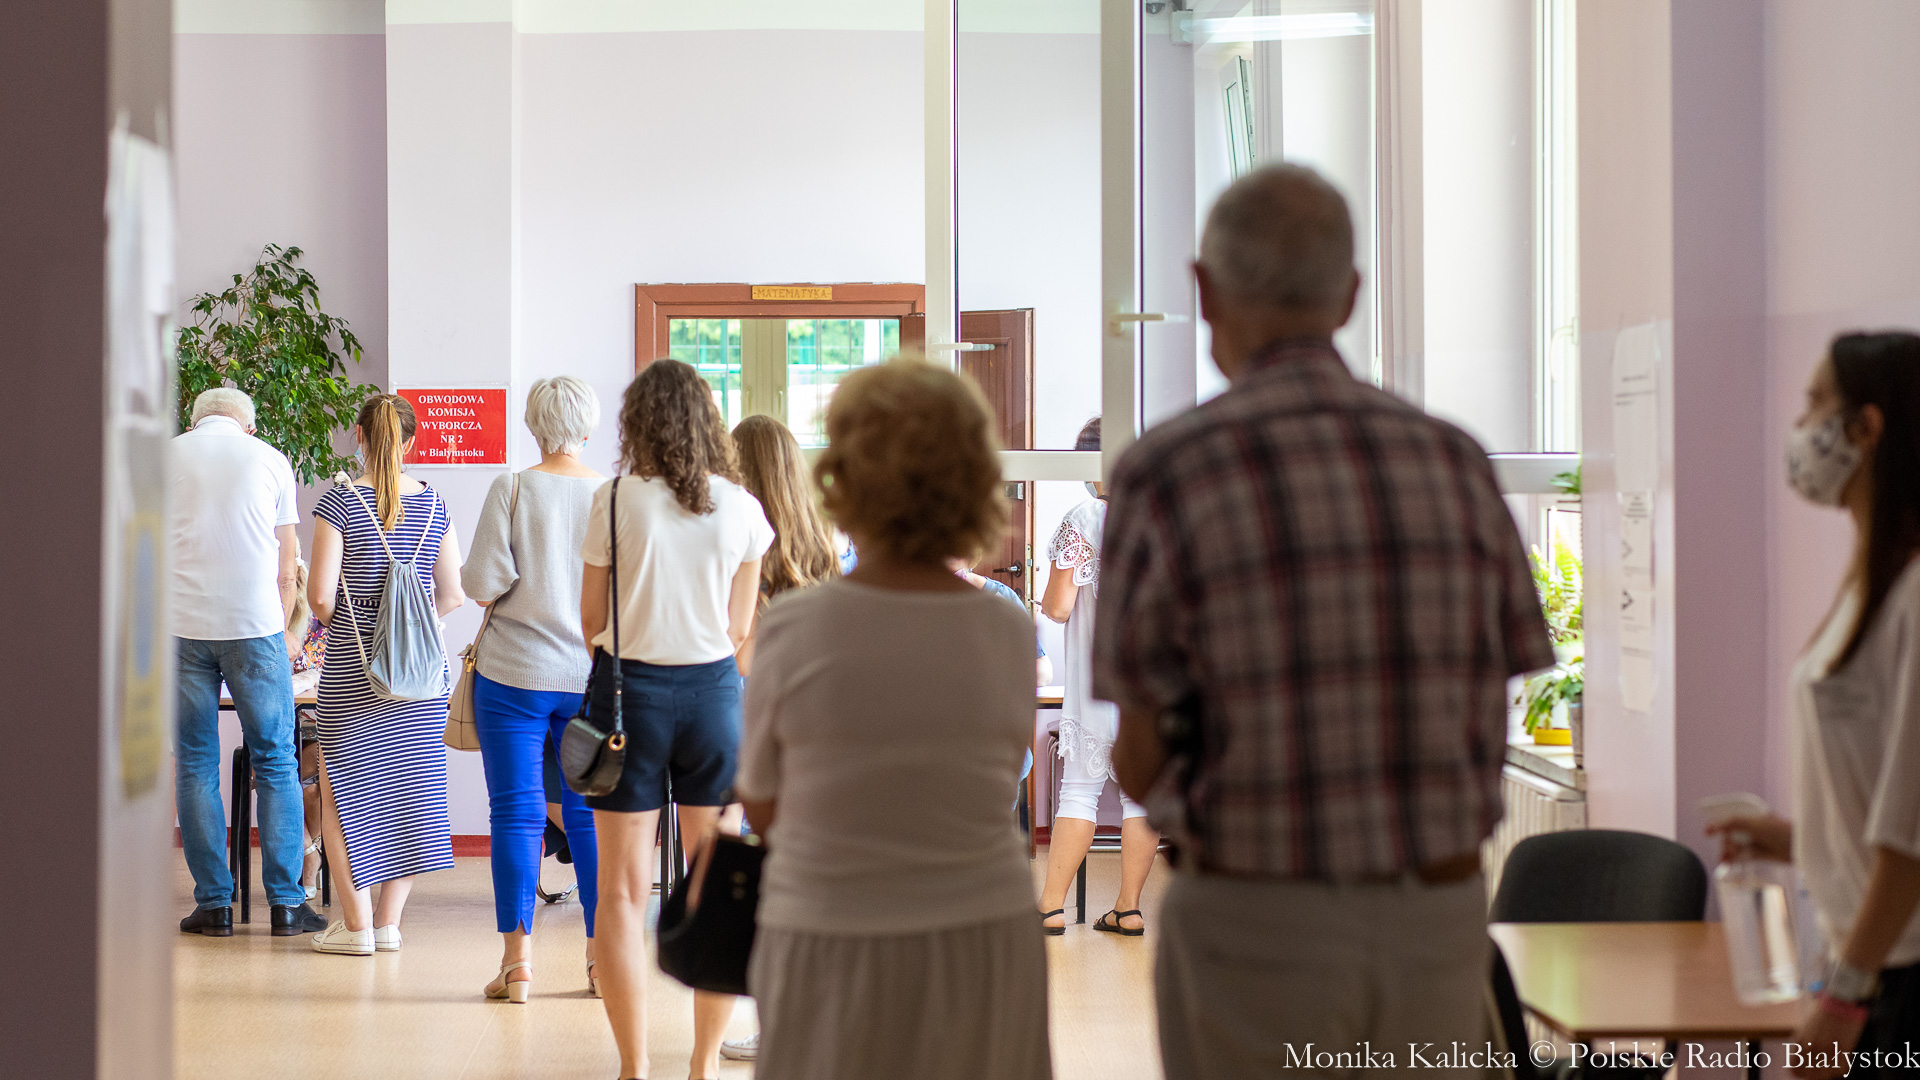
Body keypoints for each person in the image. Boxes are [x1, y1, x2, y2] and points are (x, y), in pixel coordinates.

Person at [1098, 164, 1554, 1079]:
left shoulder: (1167, 472)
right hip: (1437, 918)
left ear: (1203, 290)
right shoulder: (1455, 461)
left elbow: (1140, 754)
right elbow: (1499, 690)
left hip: (1255, 924)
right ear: (1349, 295)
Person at [739, 358, 1052, 1080]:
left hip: (831, 922)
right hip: (982, 928)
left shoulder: (795, 627)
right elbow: (1002, 776)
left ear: (840, 481)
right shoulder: (1003, 627)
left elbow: (763, 802)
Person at [1708, 332, 1920, 1079]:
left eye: (1816, 403)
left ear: (1867, 427)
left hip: (1900, 976)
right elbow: (1879, 800)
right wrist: (1801, 841)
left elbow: (1911, 835)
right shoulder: (1870, 585)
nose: (1800, 427)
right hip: (1870, 960)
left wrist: (1844, 998)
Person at [582, 359, 773, 1080]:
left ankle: (634, 1068)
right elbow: (739, 629)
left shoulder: (612, 501)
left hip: (626, 697)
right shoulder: (742, 507)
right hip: (713, 698)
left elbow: (591, 620)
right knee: (713, 885)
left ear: (636, 423)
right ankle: (702, 1065)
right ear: (707, 421)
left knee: (621, 891)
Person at [460, 375, 605, 1003]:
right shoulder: (612, 495)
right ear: (588, 427)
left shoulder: (512, 487)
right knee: (590, 817)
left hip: (512, 675)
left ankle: (517, 966)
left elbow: (480, 585)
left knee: (515, 816)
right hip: (589, 679)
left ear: (532, 425)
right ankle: (600, 964)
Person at [306, 393, 466, 956]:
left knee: (340, 797)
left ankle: (356, 929)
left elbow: (319, 597)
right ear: (411, 442)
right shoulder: (435, 504)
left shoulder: (339, 502)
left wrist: (362, 628)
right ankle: (389, 924)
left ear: (359, 436)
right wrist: (408, 629)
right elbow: (453, 593)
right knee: (411, 799)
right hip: (419, 680)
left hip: (352, 676)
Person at [169, 387, 328, 938]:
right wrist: (280, 630)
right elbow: (288, 565)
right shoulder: (270, 459)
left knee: (195, 763)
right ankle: (286, 904)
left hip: (182, 627)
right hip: (255, 627)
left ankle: (214, 905)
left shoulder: (163, 456)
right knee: (277, 760)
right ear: (248, 426)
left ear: (195, 422)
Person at [719, 413, 840, 1065]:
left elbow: (740, 657)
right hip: (816, 731)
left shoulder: (739, 544)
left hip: (748, 725)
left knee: (759, 882)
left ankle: (776, 1024)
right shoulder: (824, 549)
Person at [1035, 416, 1155, 936]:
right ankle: (1128, 908)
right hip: (1149, 685)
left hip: (1096, 683)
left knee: (1079, 792)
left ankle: (1051, 907)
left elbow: (1059, 607)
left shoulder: (1086, 516)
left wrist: (1050, 595)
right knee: (1141, 798)